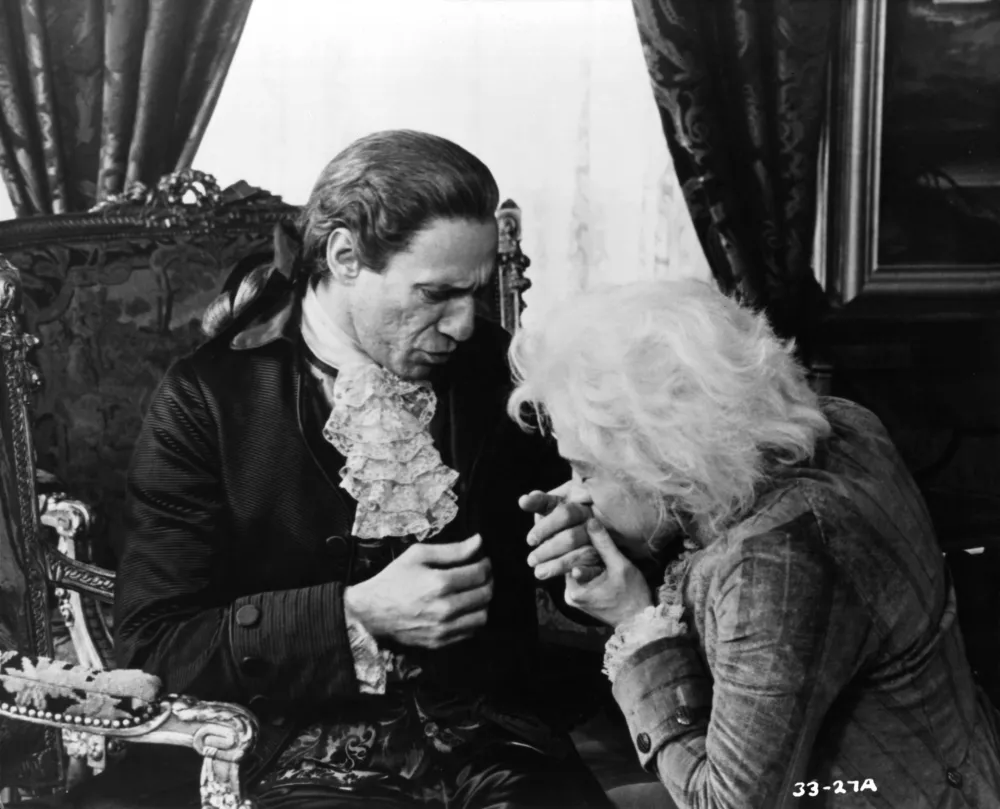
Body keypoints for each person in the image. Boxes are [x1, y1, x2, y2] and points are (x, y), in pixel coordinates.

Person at [48, 130, 612, 809]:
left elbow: (572, 518)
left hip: (496, 741)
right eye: (437, 294)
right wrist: (354, 612)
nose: (465, 324)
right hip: (294, 750)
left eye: (477, 293)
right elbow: (156, 644)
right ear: (345, 256)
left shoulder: (496, 366)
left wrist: (583, 537)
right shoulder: (208, 399)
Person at [507, 279, 1000, 808]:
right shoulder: (842, 424)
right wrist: (634, 531)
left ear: (661, 462)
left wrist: (634, 625)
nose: (576, 493)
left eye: (584, 471)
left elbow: (725, 804)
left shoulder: (772, 564)